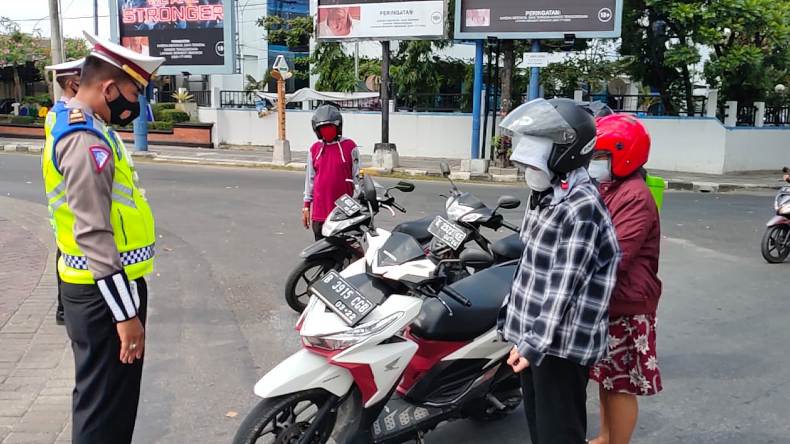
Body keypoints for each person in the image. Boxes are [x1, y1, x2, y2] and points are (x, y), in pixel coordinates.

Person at [41, 31, 164, 444]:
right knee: (105, 412)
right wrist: (125, 315)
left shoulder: (74, 121)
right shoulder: (85, 139)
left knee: (101, 400)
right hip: (105, 295)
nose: (137, 103)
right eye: (134, 91)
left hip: (94, 290)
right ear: (110, 88)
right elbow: (93, 232)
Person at [498, 98, 621, 444]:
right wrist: (520, 335)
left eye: (537, 147)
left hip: (560, 345)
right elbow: (530, 259)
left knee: (558, 434)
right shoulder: (552, 192)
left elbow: (562, 288)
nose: (526, 158)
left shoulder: (581, 206)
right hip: (538, 340)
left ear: (566, 152)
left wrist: (531, 344)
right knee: (541, 429)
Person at [587, 114, 663, 444]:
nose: (594, 163)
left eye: (600, 157)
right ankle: (605, 437)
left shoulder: (634, 195)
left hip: (628, 304)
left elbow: (615, 254)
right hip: (612, 302)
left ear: (623, 154)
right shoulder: (611, 187)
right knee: (607, 378)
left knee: (621, 384)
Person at [44, 58, 85, 325]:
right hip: (70, 205)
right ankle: (64, 310)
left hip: (65, 204)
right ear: (72, 83)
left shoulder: (56, 113)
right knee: (69, 258)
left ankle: (63, 310)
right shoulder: (65, 116)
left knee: (66, 255)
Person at [303, 104, 360, 240]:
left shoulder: (350, 147)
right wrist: (306, 206)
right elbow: (310, 180)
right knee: (322, 253)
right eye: (323, 128)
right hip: (320, 211)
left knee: (347, 252)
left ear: (338, 127)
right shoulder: (314, 149)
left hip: (344, 212)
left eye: (330, 127)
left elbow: (357, 177)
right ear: (318, 130)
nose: (326, 131)